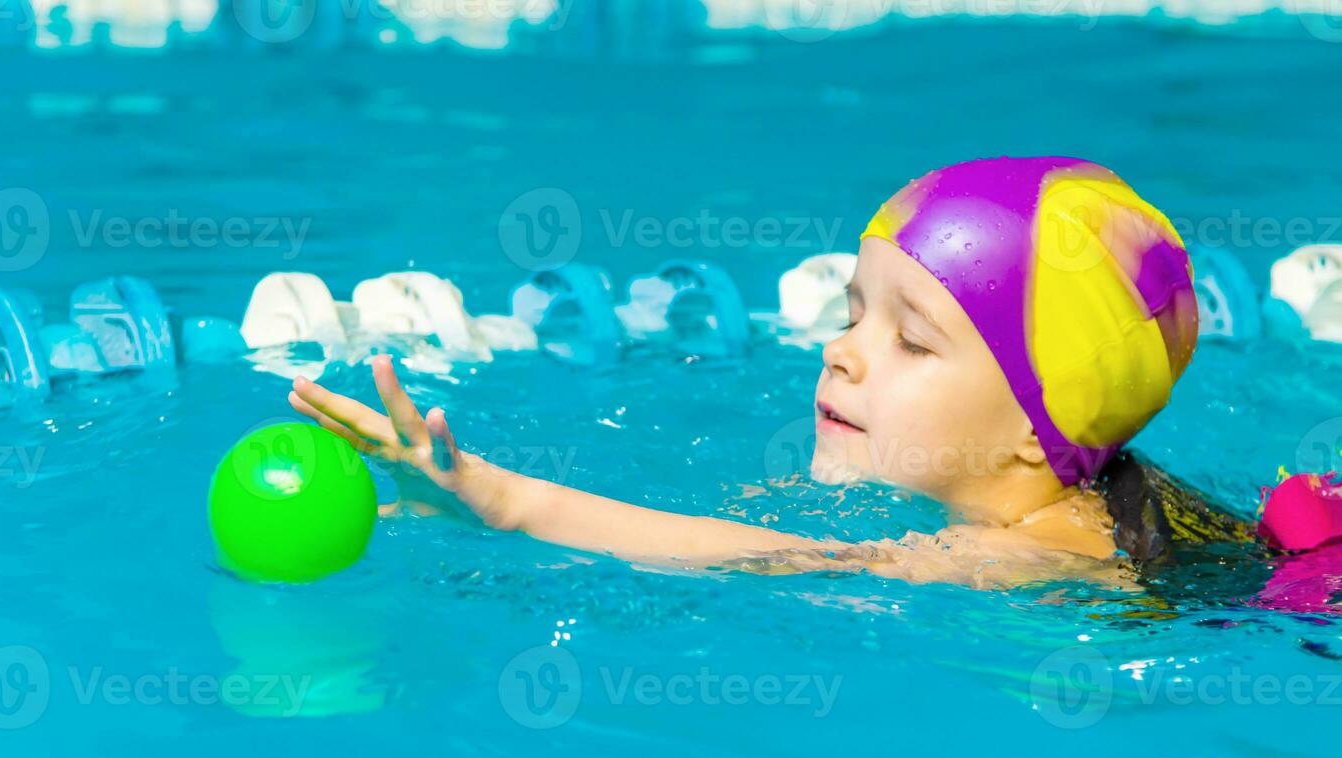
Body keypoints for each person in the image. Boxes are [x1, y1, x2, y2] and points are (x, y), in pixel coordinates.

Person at [287, 156, 1237, 589]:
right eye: (852, 311)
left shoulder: (1043, 556)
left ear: (1039, 427)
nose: (842, 351)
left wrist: (505, 501)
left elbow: (778, 558)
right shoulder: (1056, 482)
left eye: (913, 340)